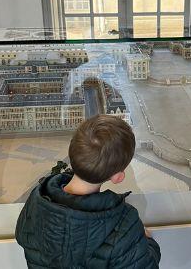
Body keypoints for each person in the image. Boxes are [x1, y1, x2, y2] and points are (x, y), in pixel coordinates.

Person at [15, 115, 161, 268]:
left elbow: (22, 235)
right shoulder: (124, 224)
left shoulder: (36, 200)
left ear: (72, 156)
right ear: (118, 177)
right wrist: (149, 243)